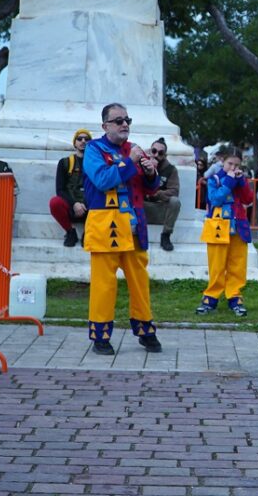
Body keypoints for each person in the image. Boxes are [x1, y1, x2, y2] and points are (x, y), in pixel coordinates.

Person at [82, 103, 162, 356]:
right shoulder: (94, 149)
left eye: (127, 120)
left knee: (140, 283)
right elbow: (103, 180)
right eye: (118, 121)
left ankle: (146, 331)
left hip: (134, 227)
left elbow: (150, 188)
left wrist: (150, 174)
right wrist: (131, 162)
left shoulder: (133, 149)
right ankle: (100, 337)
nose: (124, 124)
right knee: (104, 285)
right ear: (105, 126)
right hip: (106, 227)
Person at [196, 149, 253, 317]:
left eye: (237, 165)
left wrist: (241, 182)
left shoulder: (241, 179)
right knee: (217, 265)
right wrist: (229, 181)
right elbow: (215, 199)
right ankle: (211, 297)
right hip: (218, 227)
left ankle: (235, 296)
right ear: (223, 162)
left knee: (237, 265)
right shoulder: (214, 179)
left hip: (239, 227)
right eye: (230, 164)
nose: (233, 168)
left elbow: (248, 199)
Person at [48, 129, 91, 247]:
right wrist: (74, 204)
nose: (83, 141)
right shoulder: (65, 162)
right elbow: (60, 190)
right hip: (71, 206)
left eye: (87, 139)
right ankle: (70, 232)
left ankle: (88, 232)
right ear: (75, 143)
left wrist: (84, 203)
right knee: (54, 202)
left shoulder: (96, 163)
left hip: (90, 207)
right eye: (80, 139)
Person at [142, 137, 181, 251]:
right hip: (142, 206)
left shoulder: (171, 170)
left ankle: (166, 236)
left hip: (160, 208)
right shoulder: (140, 165)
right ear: (150, 151)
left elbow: (174, 191)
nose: (156, 155)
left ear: (165, 155)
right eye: (154, 151)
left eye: (160, 153)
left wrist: (155, 194)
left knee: (175, 201)